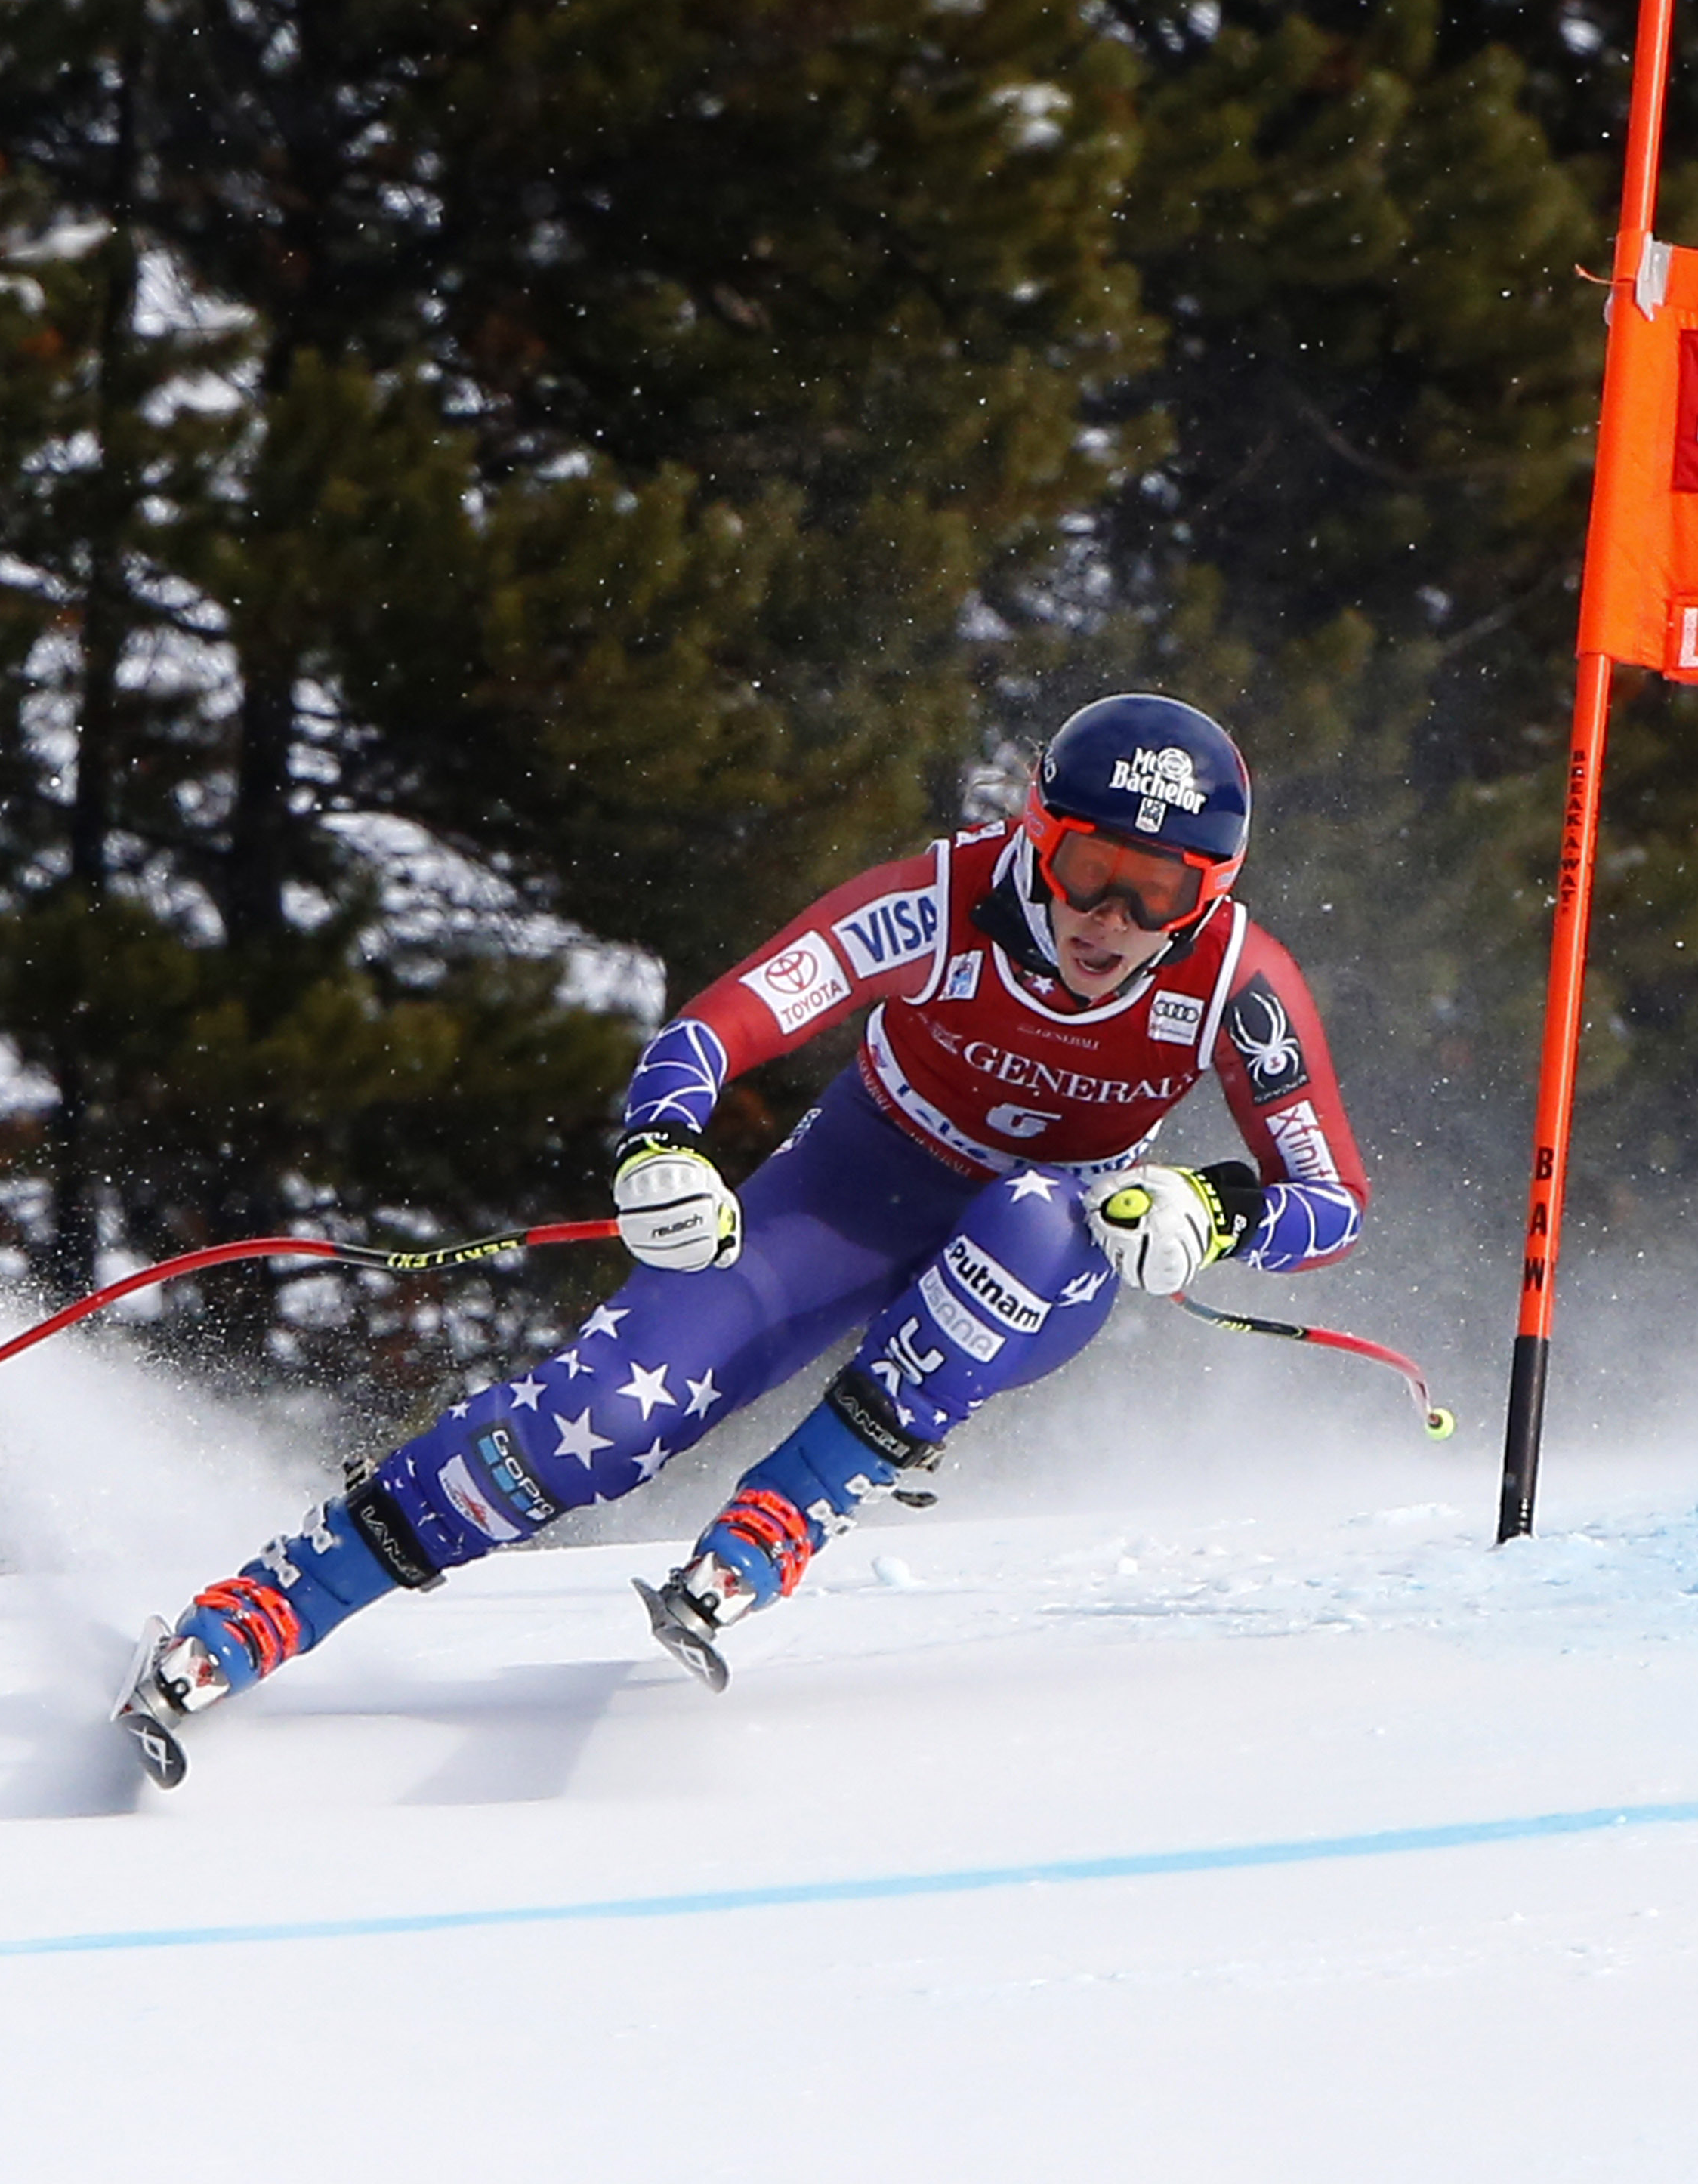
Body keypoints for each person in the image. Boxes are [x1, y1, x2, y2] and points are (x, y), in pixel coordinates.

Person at [113, 693, 1372, 1782]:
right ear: (1036, 838)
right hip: (853, 1187)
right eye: (1088, 867)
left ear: (1212, 894)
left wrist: (1217, 1209)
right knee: (600, 1419)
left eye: (1161, 893)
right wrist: (663, 1144)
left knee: (1040, 1218)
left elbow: (1333, 1200)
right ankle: (280, 1599)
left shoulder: (1233, 984)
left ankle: (804, 1500)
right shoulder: (946, 898)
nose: (1110, 919)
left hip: (1045, 1253)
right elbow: (717, 1029)